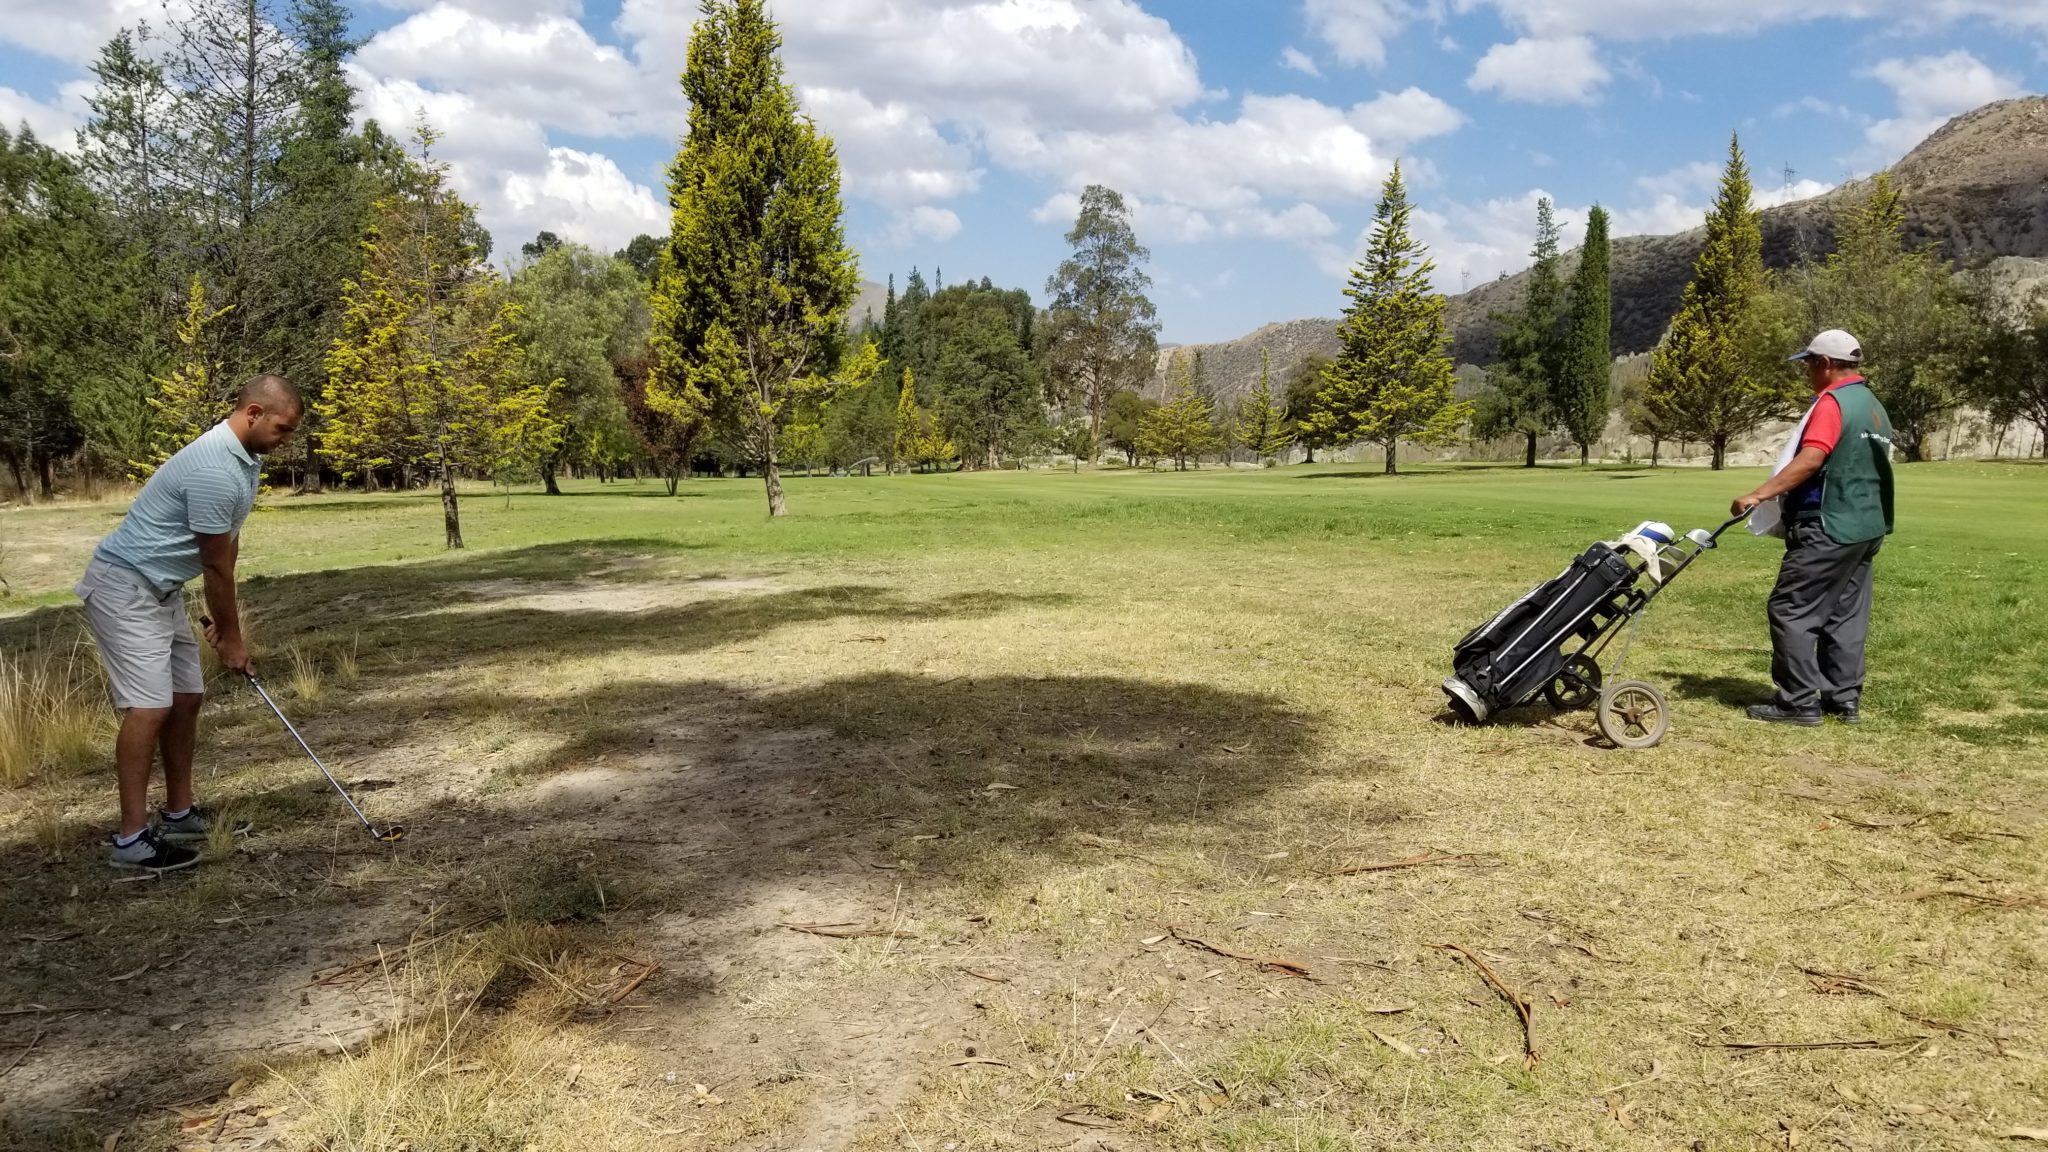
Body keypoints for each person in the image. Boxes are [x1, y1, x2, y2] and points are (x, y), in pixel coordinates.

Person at [74, 375, 302, 871]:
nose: (287, 441)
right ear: (254, 413)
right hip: (124, 586)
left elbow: (225, 546)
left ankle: (178, 814)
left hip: (161, 589)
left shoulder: (247, 461)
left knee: (186, 697)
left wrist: (226, 624)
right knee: (149, 706)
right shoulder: (215, 467)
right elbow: (216, 566)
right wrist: (234, 640)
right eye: (283, 429)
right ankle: (131, 841)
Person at [1731, 330, 1895, 726]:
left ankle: (1798, 702)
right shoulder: (1874, 405)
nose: (1806, 371)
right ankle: (1844, 699)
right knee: (1845, 613)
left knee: (1791, 609)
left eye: (1808, 363)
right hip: (1867, 524)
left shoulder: (1832, 402)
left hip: (1828, 521)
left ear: (1825, 363)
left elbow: (1810, 459)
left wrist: (1758, 495)